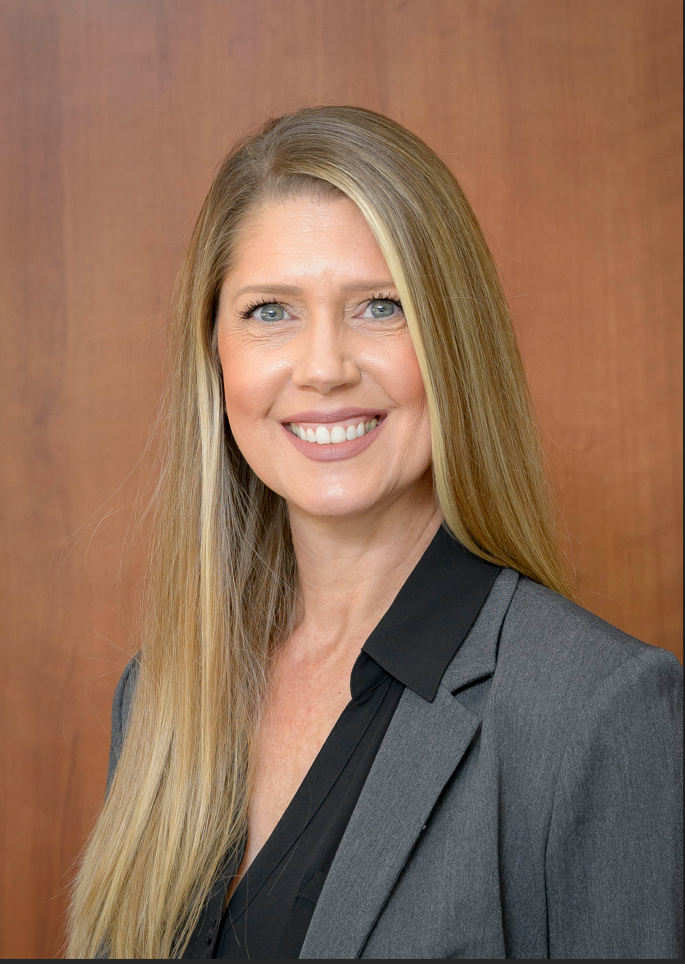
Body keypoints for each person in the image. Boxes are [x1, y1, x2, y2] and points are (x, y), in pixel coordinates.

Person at [67, 107, 682, 960]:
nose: (323, 367)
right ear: (215, 352)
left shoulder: (594, 711)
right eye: (270, 311)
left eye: (381, 306)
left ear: (454, 344)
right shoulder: (161, 696)